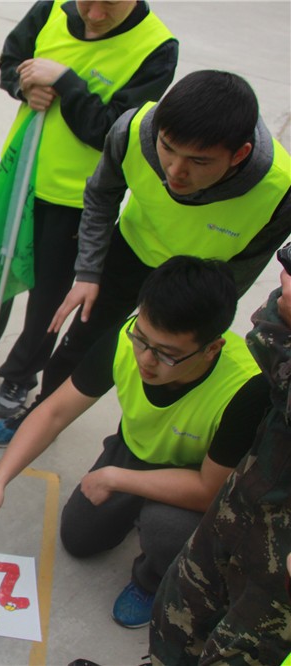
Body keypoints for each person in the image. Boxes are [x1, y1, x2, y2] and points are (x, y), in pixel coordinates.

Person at [0, 70, 291, 447]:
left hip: (195, 283)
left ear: (239, 155)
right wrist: (89, 271)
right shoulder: (133, 129)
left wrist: (201, 317)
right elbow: (100, 196)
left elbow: (244, 268)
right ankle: (41, 414)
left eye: (198, 161)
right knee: (78, 343)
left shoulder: (279, 190)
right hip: (128, 255)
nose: (175, 171)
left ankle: (140, 448)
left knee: (166, 367)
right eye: (168, 148)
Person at [0, 257, 268, 629]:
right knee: (78, 538)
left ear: (211, 348)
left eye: (167, 353)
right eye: (142, 339)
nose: (146, 359)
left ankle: (151, 581)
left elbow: (209, 489)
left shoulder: (246, 388)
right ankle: (134, 510)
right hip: (136, 449)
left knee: (165, 529)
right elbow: (55, 411)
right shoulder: (128, 338)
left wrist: (115, 479)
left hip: (195, 475)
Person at [0, 0, 177, 416]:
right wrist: (23, 85)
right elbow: (11, 60)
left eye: (108, 5)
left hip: (77, 201)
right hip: (18, 179)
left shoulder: (156, 47)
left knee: (48, 300)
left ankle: (21, 374)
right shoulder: (50, 9)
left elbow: (111, 130)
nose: (93, 14)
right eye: (86, 1)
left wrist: (65, 81)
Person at [149, 253, 291, 664]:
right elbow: (268, 319)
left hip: (281, 564)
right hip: (243, 499)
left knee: (238, 651)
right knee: (177, 614)